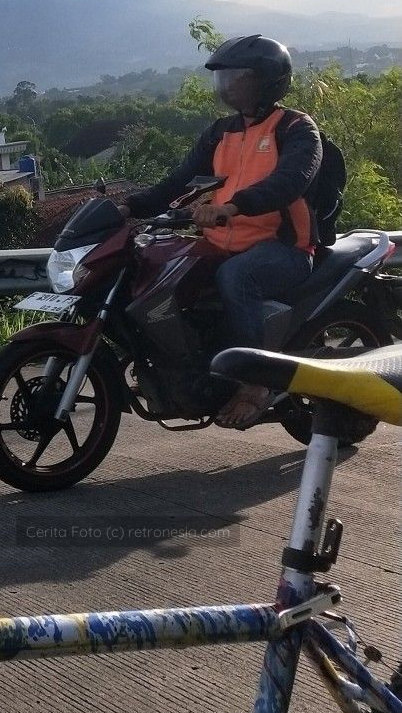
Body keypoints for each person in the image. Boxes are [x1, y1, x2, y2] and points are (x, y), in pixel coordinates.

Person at [117, 34, 323, 429]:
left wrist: (232, 206)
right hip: (223, 242)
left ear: (266, 80)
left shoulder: (296, 128)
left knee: (237, 276)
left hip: (285, 250)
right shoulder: (220, 132)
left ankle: (253, 383)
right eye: (224, 78)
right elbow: (179, 181)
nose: (228, 86)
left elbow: (290, 181)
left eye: (237, 77)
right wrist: (130, 207)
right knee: (165, 272)